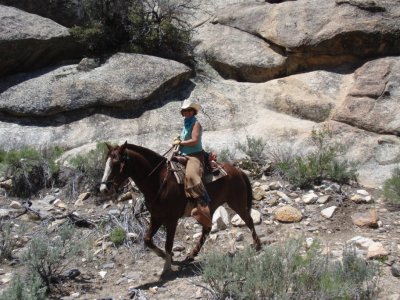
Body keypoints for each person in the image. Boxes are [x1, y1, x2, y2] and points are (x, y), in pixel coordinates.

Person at [173, 99, 212, 230]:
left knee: (191, 175)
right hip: (183, 154)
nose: (187, 113)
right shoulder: (186, 124)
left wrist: (181, 143)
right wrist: (178, 140)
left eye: (189, 110)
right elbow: (184, 138)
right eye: (185, 111)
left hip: (194, 155)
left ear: (193, 111)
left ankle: (202, 200)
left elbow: (195, 140)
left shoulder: (196, 124)